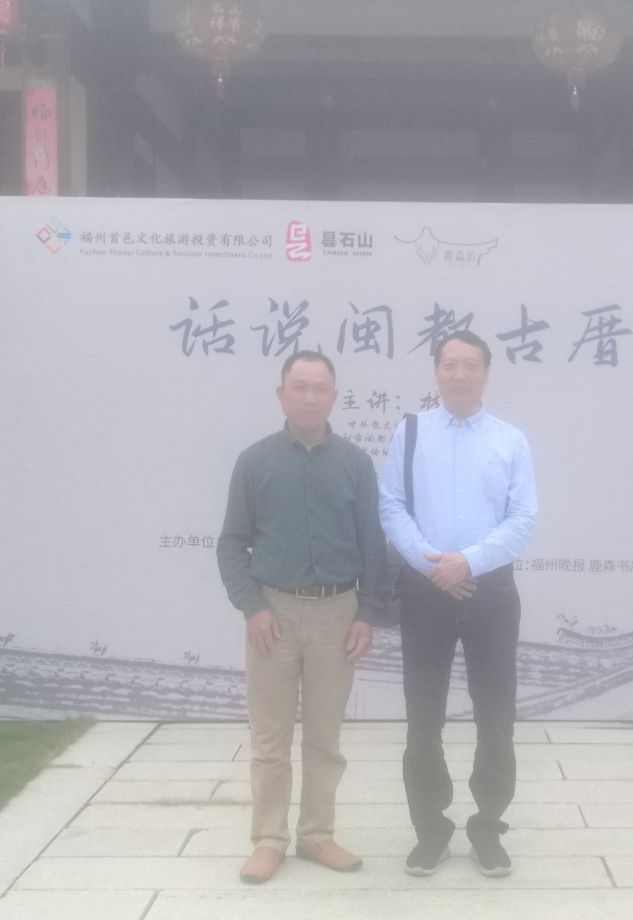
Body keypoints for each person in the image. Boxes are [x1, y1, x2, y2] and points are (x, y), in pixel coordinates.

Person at [217, 350, 387, 884]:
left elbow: (373, 546)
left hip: (338, 615)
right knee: (269, 738)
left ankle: (317, 834)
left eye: (320, 388)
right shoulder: (254, 462)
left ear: (334, 397)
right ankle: (268, 840)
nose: (310, 397)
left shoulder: (356, 464)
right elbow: (232, 544)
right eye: (300, 387)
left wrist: (367, 614)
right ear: (281, 394)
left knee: (323, 738)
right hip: (273, 615)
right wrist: (252, 607)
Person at [379, 329, 537, 878]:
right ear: (436, 372)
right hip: (426, 592)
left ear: (486, 373)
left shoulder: (510, 440)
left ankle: (488, 828)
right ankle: (432, 831)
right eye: (450, 364)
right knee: (423, 717)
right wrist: (434, 566)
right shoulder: (411, 432)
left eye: (471, 365)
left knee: (496, 718)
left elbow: (523, 519)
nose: (460, 374)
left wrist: (467, 562)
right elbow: (391, 505)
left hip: (490, 593)